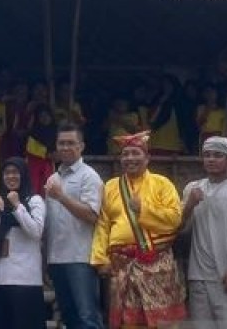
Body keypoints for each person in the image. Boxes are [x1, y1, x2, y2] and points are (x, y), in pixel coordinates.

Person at [91, 131, 186, 328]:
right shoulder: (111, 186)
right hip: (121, 264)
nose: (130, 158)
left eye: (135, 153)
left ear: (147, 157)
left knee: (159, 319)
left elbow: (175, 220)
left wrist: (143, 210)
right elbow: (103, 224)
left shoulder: (162, 184)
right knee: (127, 321)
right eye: (125, 154)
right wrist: (101, 259)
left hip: (156, 261)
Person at [179, 136, 227, 329]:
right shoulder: (193, 188)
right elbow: (179, 227)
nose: (211, 159)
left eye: (217, 155)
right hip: (199, 274)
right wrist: (190, 204)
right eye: (206, 155)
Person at [43, 123, 104, 329]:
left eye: (71, 143)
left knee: (87, 317)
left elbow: (91, 215)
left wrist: (61, 197)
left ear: (82, 146)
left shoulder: (89, 176)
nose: (65, 147)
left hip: (80, 258)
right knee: (68, 317)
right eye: (61, 143)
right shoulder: (53, 178)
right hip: (56, 257)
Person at [0, 157, 46, 329]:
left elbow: (36, 231)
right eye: (6, 173)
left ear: (24, 175)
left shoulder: (34, 201)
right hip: (2, 280)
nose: (11, 176)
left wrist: (18, 205)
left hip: (26, 280)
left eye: (15, 172)